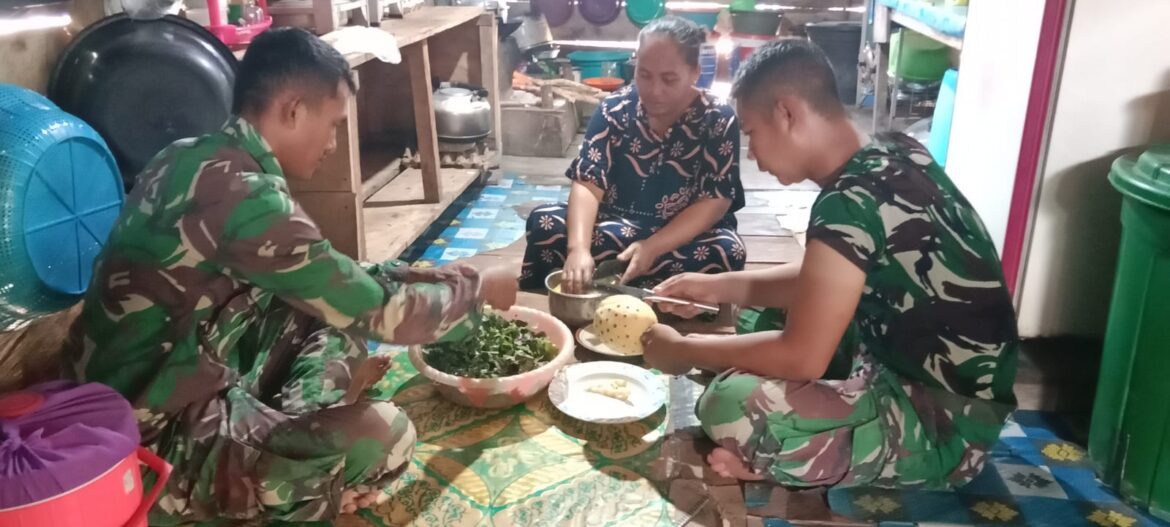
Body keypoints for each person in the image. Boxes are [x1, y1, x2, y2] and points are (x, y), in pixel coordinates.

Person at [68, 28, 516, 524]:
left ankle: (285, 455)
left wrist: (440, 277)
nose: (332, 142)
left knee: (332, 320)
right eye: (332, 123)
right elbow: (383, 314)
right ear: (293, 109)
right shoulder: (240, 195)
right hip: (150, 445)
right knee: (384, 435)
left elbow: (339, 282)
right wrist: (476, 293)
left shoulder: (193, 155)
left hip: (182, 376)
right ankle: (279, 490)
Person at [641, 39, 1019, 490]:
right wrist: (719, 287)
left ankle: (785, 456)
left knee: (729, 403)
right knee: (756, 318)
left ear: (786, 113)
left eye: (751, 133)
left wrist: (681, 351)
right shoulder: (890, 153)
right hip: (911, 366)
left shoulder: (848, 201)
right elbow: (827, 280)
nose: (754, 156)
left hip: (947, 428)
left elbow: (801, 358)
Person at [520, 16, 746, 291]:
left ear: (695, 73)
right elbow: (588, 183)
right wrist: (578, 249)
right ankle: (568, 299)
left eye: (669, 79)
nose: (654, 91)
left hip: (681, 237)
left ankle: (654, 299)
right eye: (645, 75)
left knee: (726, 250)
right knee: (545, 223)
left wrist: (652, 246)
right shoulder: (614, 109)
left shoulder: (718, 118)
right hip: (616, 227)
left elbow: (715, 202)